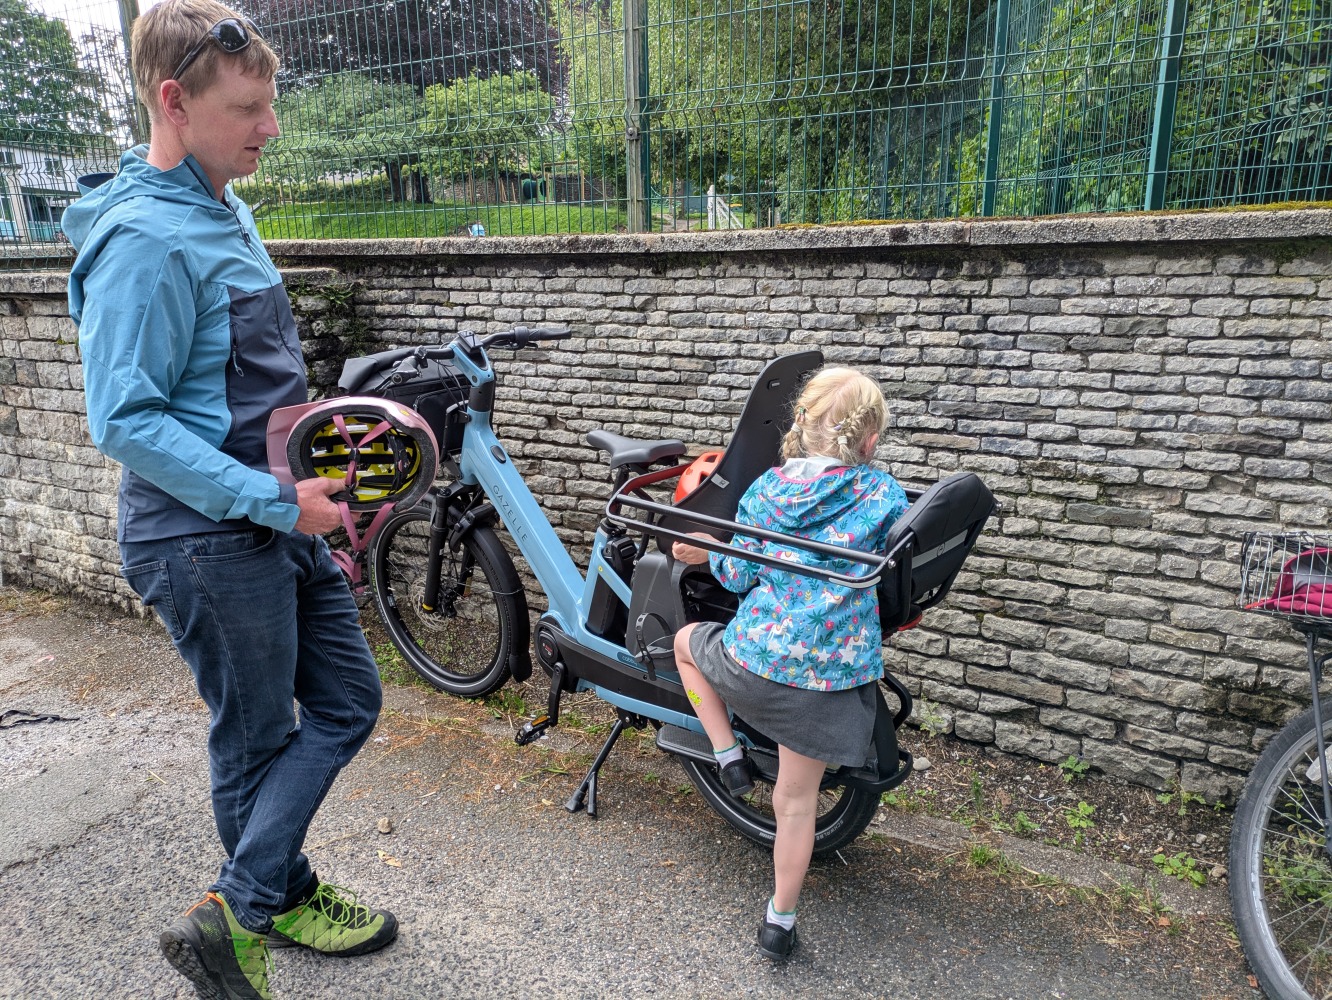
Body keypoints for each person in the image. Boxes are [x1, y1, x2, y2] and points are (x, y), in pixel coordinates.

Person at [62, 3, 396, 997]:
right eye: (249, 106)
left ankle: (241, 902)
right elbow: (123, 418)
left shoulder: (221, 203)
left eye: (271, 101)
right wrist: (276, 499)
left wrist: (308, 468)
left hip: (268, 516)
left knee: (346, 701)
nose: (271, 125)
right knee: (252, 740)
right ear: (175, 100)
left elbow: (236, 378)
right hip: (204, 541)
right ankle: (252, 916)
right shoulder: (145, 241)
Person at [671, 366, 909, 960]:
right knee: (797, 805)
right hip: (831, 681)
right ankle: (779, 922)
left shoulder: (767, 491)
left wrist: (710, 553)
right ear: (870, 439)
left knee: (686, 643)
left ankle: (726, 753)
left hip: (758, 661)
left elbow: (736, 574)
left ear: (800, 425)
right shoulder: (884, 494)